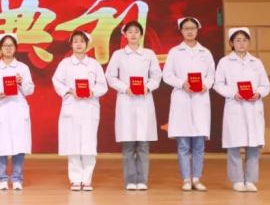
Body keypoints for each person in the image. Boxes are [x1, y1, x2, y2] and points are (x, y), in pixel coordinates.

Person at [106, 21, 162, 191]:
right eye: (129, 31)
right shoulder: (118, 55)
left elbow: (156, 76)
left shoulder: (149, 54)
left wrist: (148, 87)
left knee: (143, 145)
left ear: (141, 34)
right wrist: (125, 88)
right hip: (126, 102)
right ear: (124, 35)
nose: (133, 34)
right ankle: (130, 180)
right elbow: (110, 77)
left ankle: (142, 180)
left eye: (136, 31)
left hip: (144, 101)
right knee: (128, 145)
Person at [214, 27, 270, 192]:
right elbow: (218, 84)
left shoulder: (256, 62)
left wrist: (258, 93)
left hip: (253, 107)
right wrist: (233, 94)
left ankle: (251, 180)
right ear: (231, 43)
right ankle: (237, 180)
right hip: (235, 107)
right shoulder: (224, 62)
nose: (241, 43)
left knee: (253, 146)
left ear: (248, 42)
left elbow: (266, 85)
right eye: (238, 40)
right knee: (234, 145)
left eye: (245, 40)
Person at [163, 17, 216, 192]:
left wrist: (205, 85)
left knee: (199, 144)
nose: (190, 31)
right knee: (184, 144)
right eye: (186, 28)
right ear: (181, 31)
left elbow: (211, 75)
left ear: (197, 30)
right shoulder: (174, 52)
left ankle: (197, 178)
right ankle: (186, 179)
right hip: (182, 98)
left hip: (200, 100)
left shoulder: (205, 52)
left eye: (192, 28)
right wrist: (181, 83)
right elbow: (167, 75)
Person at [53, 31, 108, 191]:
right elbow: (56, 81)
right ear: (71, 44)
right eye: (75, 41)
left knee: (89, 144)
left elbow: (102, 85)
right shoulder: (65, 64)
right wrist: (70, 91)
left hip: (89, 108)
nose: (78, 44)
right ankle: (76, 180)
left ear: (87, 45)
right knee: (73, 144)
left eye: (82, 41)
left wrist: (92, 92)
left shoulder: (94, 64)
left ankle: (87, 179)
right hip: (72, 107)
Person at [0, 33, 35, 191]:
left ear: (15, 48)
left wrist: (22, 83)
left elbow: (30, 90)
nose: (8, 48)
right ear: (0, 48)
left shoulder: (23, 68)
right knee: (1, 145)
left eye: (11, 45)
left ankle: (17, 178)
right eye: (5, 46)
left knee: (19, 145)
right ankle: (2, 178)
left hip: (18, 109)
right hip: (1, 109)